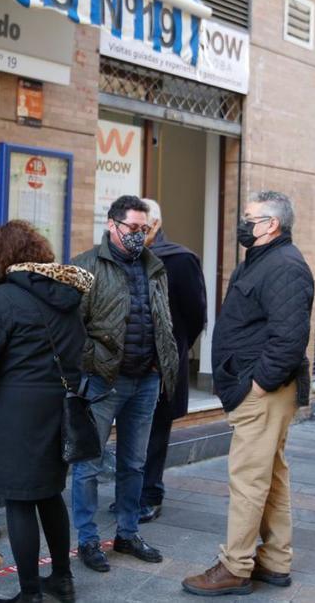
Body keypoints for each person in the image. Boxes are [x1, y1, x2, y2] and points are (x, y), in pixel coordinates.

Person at [0, 221, 94, 603]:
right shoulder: (66, 296)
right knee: (49, 495)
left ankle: (29, 592)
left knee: (19, 501)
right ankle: (62, 578)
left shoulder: (1, 299)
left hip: (14, 413)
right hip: (57, 409)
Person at [183, 191, 313, 597]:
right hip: (259, 389)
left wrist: (256, 385)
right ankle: (274, 561)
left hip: (263, 392)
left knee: (248, 480)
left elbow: (289, 339)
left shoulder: (285, 267)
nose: (243, 222)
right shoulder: (263, 261)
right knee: (270, 477)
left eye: (249, 217)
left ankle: (235, 566)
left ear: (271, 224)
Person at [69, 195, 178, 572]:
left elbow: (163, 320)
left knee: (134, 463)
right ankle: (87, 540)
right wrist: (91, 364)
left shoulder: (155, 267)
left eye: (144, 229)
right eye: (133, 228)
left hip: (145, 380)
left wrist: (165, 366)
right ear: (112, 225)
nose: (139, 235)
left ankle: (128, 533)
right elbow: (69, 328)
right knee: (88, 464)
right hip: (102, 382)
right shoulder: (85, 265)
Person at [136, 198, 208, 521]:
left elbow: (196, 314)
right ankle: (131, 492)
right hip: (127, 362)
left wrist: (175, 348)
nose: (134, 230)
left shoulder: (179, 260)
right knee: (131, 430)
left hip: (161, 363)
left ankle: (151, 493)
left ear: (155, 224)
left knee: (155, 431)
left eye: (140, 224)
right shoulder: (123, 257)